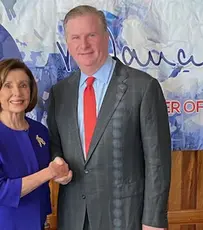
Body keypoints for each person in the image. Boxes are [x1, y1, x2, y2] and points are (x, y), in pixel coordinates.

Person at [47, 5, 171, 230]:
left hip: (124, 217)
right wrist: (58, 163)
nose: (83, 45)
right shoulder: (60, 93)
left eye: (91, 35)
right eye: (75, 37)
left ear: (107, 37)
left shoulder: (143, 87)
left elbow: (158, 162)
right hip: (74, 217)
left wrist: (153, 221)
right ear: (67, 43)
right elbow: (56, 145)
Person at [0, 58, 69, 230]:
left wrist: (61, 174)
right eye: (8, 85)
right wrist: (49, 172)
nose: (17, 92)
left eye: (23, 85)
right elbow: (2, 191)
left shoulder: (40, 131)